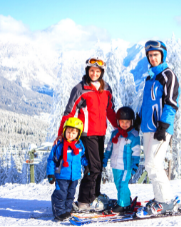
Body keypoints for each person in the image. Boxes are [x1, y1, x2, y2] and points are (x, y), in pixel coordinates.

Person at [59, 57, 118, 211]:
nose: (94, 73)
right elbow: (69, 113)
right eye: (91, 70)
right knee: (93, 167)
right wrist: (61, 134)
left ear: (102, 72)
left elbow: (110, 111)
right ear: (87, 71)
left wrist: (120, 127)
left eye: (97, 71)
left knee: (98, 165)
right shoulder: (80, 89)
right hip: (86, 133)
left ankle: (95, 195)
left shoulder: (106, 89)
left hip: (100, 133)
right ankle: (85, 201)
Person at [138, 40, 181, 215]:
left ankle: (166, 202)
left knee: (154, 163)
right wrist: (138, 119)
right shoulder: (150, 77)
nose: (153, 58)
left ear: (162, 55)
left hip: (160, 127)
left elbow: (171, 103)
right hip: (148, 127)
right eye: (150, 55)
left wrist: (164, 125)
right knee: (150, 166)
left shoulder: (167, 75)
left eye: (156, 55)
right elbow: (146, 104)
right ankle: (161, 198)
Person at [46, 117, 88, 222]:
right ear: (64, 131)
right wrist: (50, 174)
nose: (70, 135)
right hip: (62, 175)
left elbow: (82, 158)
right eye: (68, 132)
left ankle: (67, 210)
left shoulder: (79, 145)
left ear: (78, 134)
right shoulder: (59, 146)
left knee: (71, 195)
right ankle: (59, 213)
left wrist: (87, 165)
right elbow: (51, 160)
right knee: (61, 194)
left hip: (75, 176)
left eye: (73, 133)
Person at [101, 107, 142, 215]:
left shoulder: (133, 136)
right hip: (115, 165)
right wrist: (105, 159)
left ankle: (123, 205)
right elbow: (109, 148)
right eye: (122, 122)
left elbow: (136, 153)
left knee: (122, 184)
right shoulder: (115, 134)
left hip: (126, 167)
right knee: (117, 183)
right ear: (118, 121)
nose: (124, 124)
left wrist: (134, 166)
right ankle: (126, 198)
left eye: (127, 122)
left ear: (131, 122)